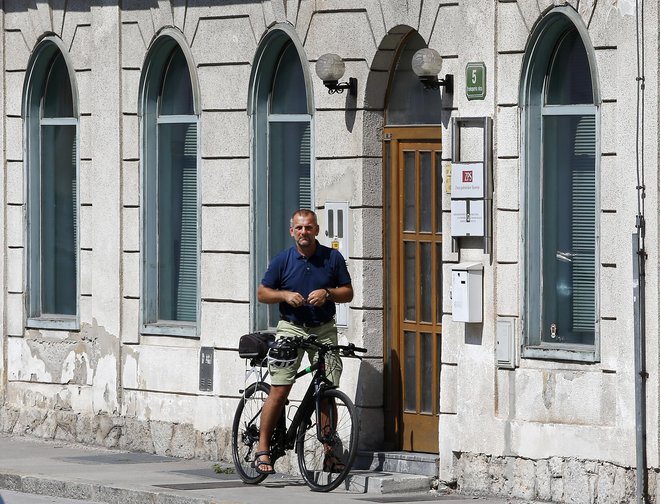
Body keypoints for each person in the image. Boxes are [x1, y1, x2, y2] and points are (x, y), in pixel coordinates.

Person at [254, 208, 354, 475]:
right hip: (291, 328)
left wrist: (328, 293)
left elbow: (348, 293)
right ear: (292, 232)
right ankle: (262, 448)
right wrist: (285, 296)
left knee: (327, 390)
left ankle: (330, 453)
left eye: (308, 228)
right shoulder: (282, 260)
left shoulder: (332, 258)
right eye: (299, 228)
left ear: (317, 230)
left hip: (323, 329)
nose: (304, 233)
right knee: (280, 388)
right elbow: (262, 293)